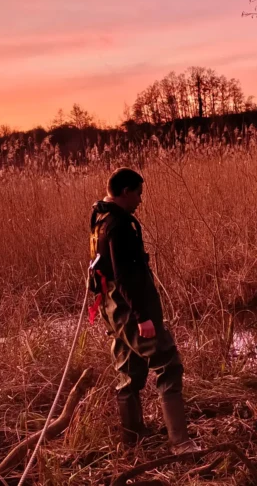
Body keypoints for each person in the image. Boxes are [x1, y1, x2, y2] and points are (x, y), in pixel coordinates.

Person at [88, 167, 198, 454]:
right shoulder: (118, 225)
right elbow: (125, 275)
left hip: (111, 307)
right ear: (125, 192)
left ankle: (133, 439)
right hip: (127, 308)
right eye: (138, 193)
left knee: (130, 370)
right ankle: (180, 442)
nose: (140, 200)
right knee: (168, 362)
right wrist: (143, 317)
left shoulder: (101, 217)